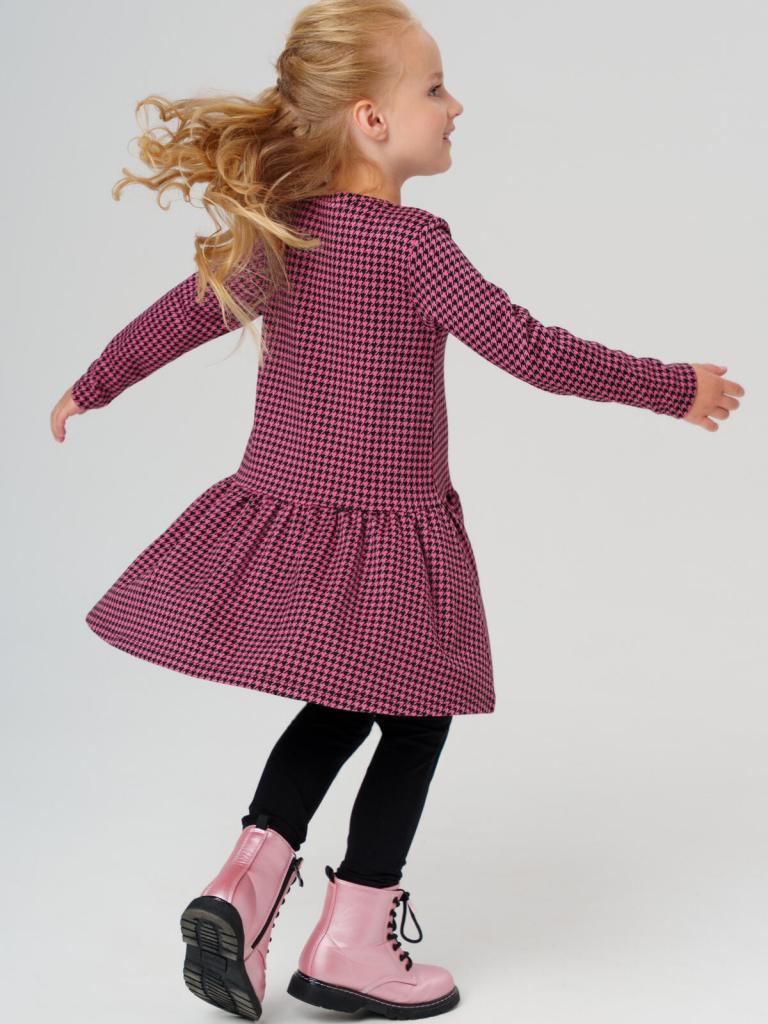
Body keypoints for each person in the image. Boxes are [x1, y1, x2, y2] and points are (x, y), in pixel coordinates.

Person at [50, 1, 744, 1020]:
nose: (456, 106)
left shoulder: (284, 234)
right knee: (416, 718)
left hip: (294, 521)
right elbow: (532, 349)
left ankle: (240, 886)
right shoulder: (415, 247)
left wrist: (95, 382)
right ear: (371, 120)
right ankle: (353, 939)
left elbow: (188, 308)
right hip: (390, 538)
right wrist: (670, 386)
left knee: (340, 703)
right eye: (435, 88)